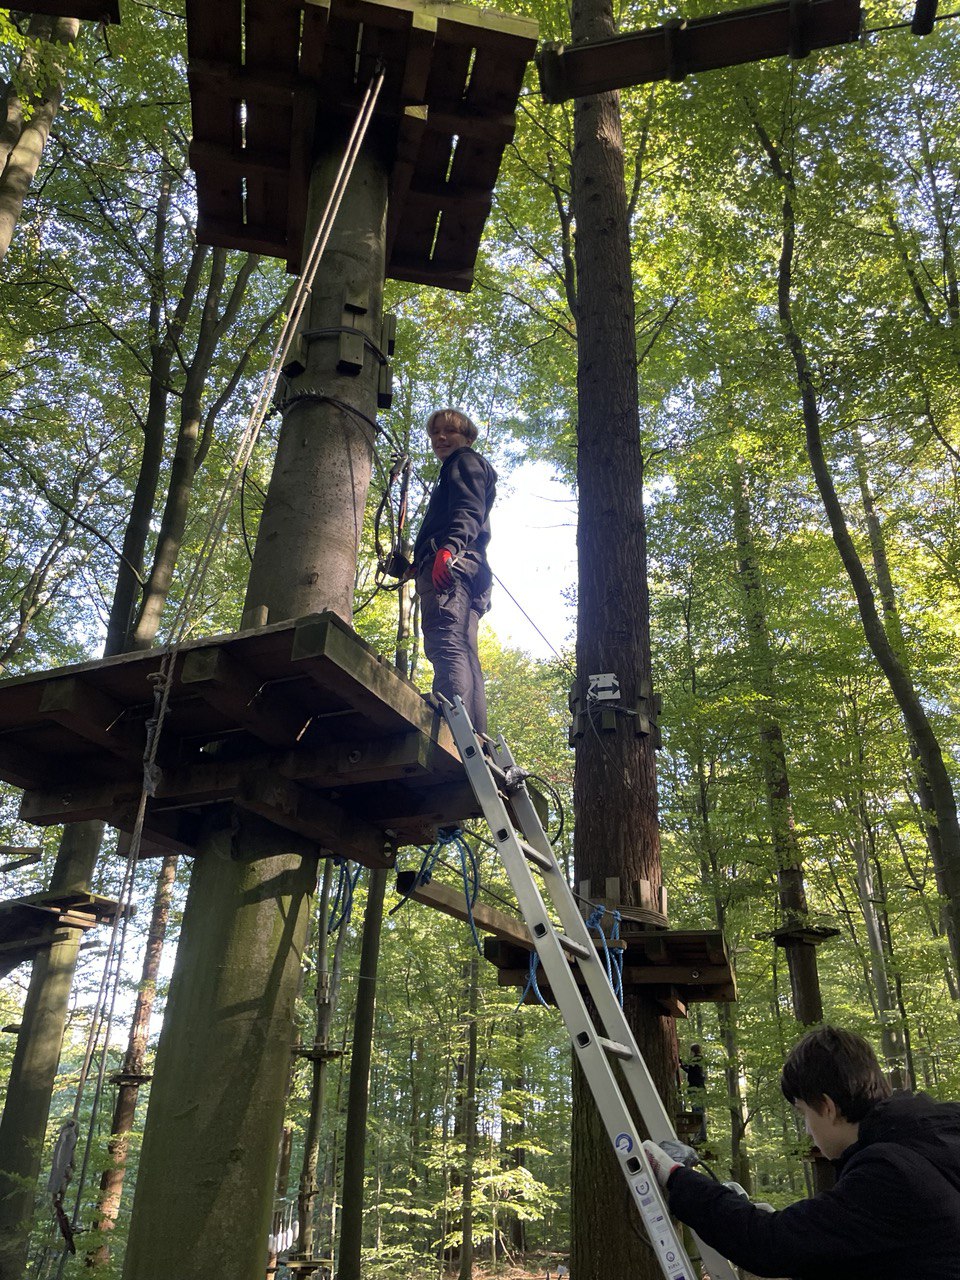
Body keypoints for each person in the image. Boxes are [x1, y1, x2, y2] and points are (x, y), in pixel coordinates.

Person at [643, 1025, 960, 1280]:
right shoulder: (933, 1136)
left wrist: (677, 1178)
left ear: (828, 1107)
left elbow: (769, 1245)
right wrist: (798, 1226)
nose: (807, 1129)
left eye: (803, 1113)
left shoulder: (888, 1173)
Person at [412, 408, 496, 736]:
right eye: (435, 433)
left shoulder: (463, 461)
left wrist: (448, 549)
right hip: (470, 567)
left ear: (468, 438)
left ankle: (452, 730)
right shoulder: (467, 467)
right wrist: (413, 566)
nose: (440, 438)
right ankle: (475, 736)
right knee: (464, 649)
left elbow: (468, 510)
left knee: (446, 640)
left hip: (454, 564)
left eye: (449, 431)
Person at [680, 1043, 707, 1144]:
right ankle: (700, 1136)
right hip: (699, 1088)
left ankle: (700, 1136)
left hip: (696, 1089)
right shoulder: (699, 1060)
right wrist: (682, 1065)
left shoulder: (696, 1059)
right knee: (698, 1111)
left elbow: (691, 1071)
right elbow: (691, 1070)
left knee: (697, 1112)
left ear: (693, 1051)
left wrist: (681, 1064)